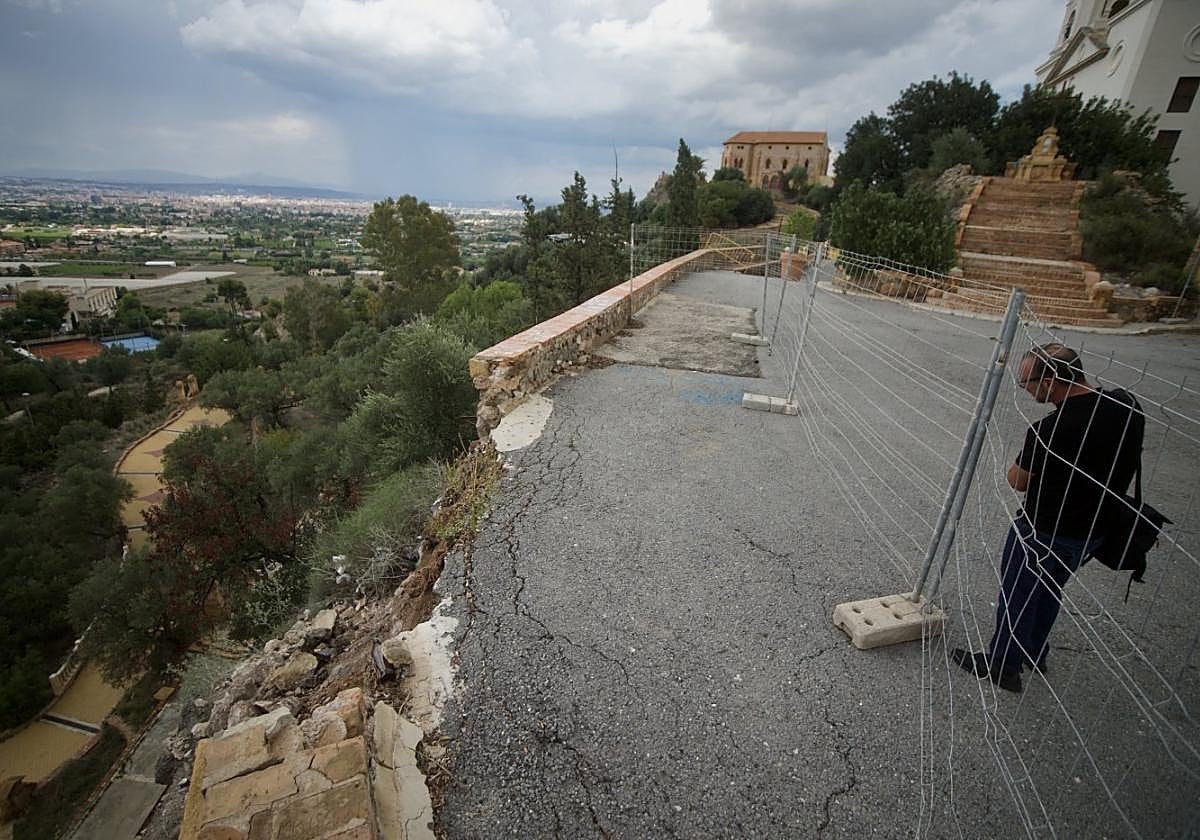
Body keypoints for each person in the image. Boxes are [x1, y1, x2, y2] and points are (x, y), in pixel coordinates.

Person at [952, 342, 1144, 693]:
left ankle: (1003, 665)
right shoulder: (1126, 407)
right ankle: (1034, 650)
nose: (1026, 390)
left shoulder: (1051, 430)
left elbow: (1017, 479)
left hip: (1044, 529)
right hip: (1094, 529)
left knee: (1018, 593)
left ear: (1051, 381)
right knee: (1051, 587)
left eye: (1028, 383)